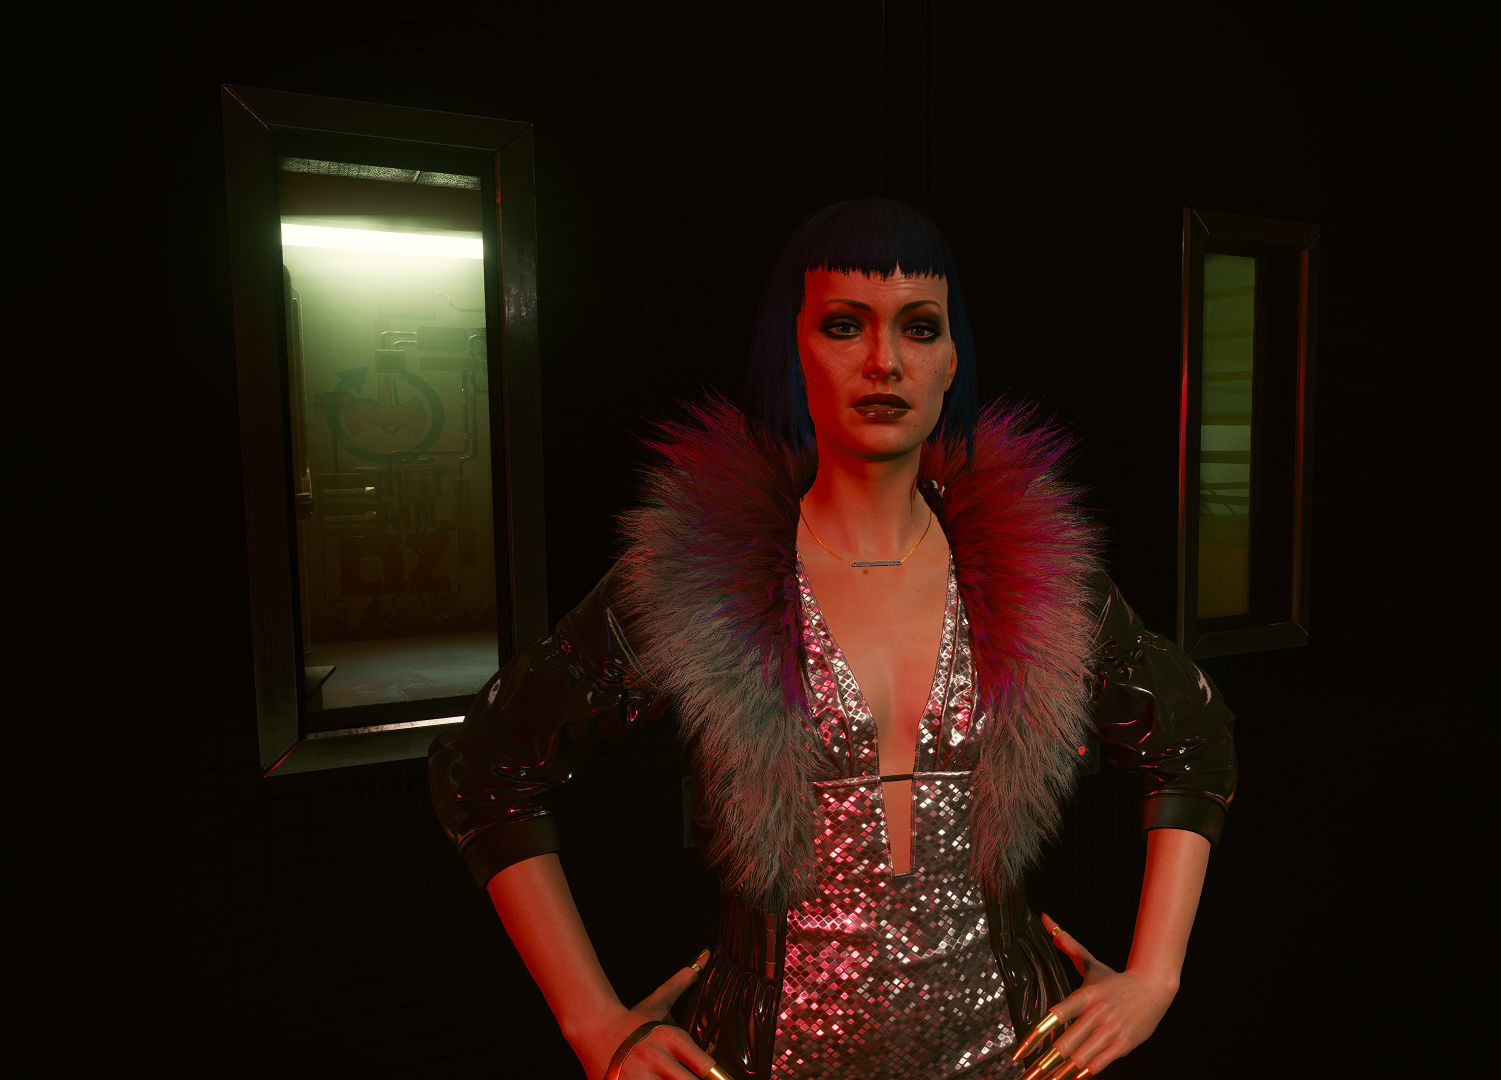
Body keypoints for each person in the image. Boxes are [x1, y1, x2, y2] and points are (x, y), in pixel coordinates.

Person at [428, 198, 1237, 1080]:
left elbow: (1191, 737)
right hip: (766, 1056)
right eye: (845, 325)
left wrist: (1155, 978)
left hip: (1013, 1051)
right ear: (793, 348)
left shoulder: (1039, 574)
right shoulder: (694, 576)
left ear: (952, 357)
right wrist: (591, 1022)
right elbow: (490, 767)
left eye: (919, 328)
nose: (884, 361)